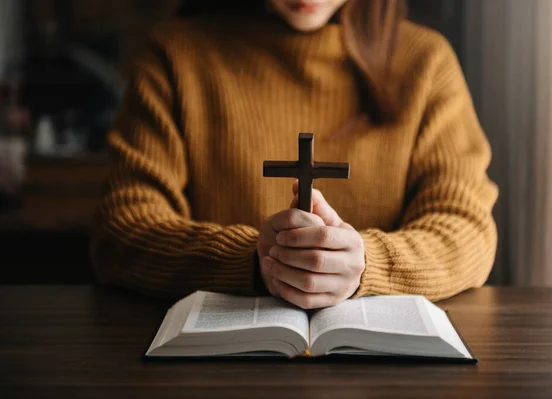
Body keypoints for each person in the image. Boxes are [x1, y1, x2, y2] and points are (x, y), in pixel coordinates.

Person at [90, 0, 499, 309]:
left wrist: (365, 264)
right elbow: (122, 227)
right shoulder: (175, 55)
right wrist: (254, 260)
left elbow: (466, 229)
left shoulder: (425, 62)